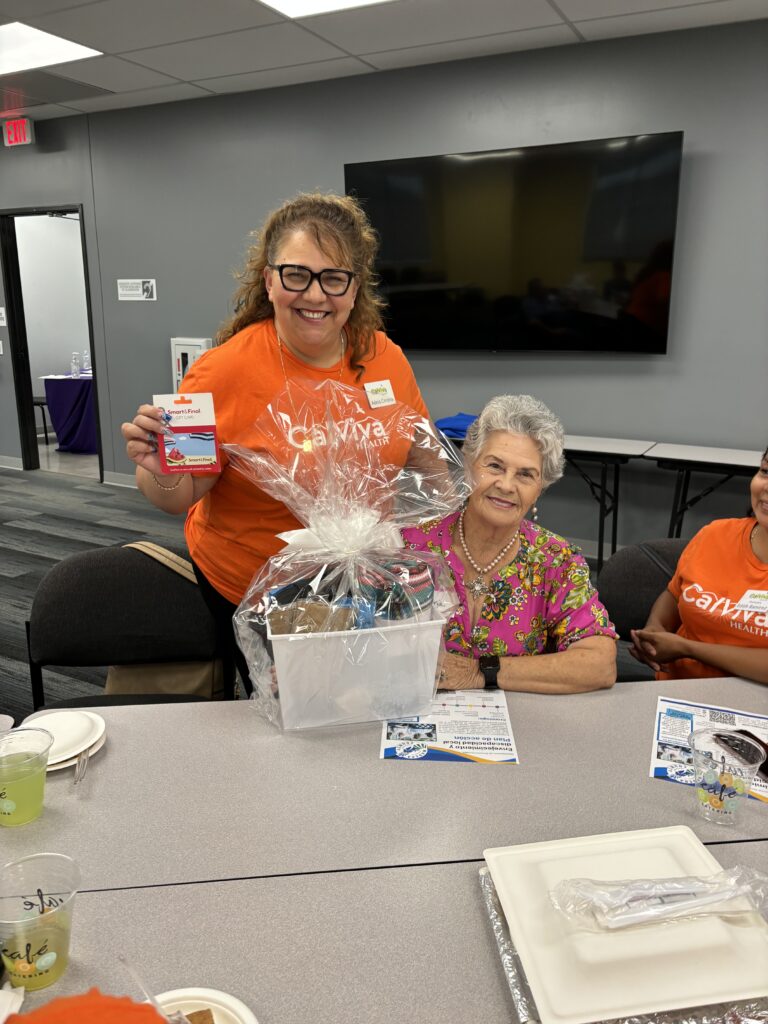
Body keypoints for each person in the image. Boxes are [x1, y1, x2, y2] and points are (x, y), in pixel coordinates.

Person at [122, 193, 428, 688]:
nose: (314, 295)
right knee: (294, 714)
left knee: (366, 702)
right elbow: (178, 498)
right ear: (269, 280)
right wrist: (160, 470)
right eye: (296, 275)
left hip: (366, 581)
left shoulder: (384, 356)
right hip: (258, 588)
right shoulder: (222, 372)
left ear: (355, 289)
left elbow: (424, 460)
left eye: (333, 278)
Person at [402, 395, 617, 693]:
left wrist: (480, 672)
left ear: (540, 489)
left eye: (525, 475)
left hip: (522, 726)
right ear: (469, 464)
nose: (506, 485)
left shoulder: (556, 561)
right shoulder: (410, 547)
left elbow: (599, 664)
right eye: (494, 466)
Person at [630, 446, 768, 684]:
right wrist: (655, 627)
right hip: (676, 694)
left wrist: (687, 648)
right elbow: (674, 594)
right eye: (765, 471)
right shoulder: (715, 535)